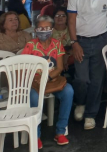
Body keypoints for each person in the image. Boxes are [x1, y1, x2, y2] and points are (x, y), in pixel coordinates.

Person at [68, 0, 107, 130]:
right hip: (81, 41)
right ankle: (80, 103)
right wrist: (74, 42)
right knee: (81, 79)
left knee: (96, 80)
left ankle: (90, 114)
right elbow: (71, 20)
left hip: (101, 40)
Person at [23, 14, 74, 147]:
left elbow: (60, 67)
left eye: (47, 28)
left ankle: (60, 132)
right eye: (41, 28)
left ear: (52, 30)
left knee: (68, 91)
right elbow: (24, 66)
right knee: (34, 98)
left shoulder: (57, 44)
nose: (44, 31)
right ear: (36, 30)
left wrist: (47, 78)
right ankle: (36, 135)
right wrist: (37, 79)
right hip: (35, 83)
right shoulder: (30, 45)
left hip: (52, 80)